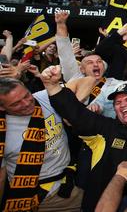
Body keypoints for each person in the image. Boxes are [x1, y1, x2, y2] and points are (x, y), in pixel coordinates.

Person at [42, 65, 127, 211]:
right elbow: (76, 113)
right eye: (118, 103)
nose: (122, 105)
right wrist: (53, 87)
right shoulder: (106, 128)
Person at [0, 77, 82, 211]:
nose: (26, 103)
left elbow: (87, 81)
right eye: (16, 104)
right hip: (41, 197)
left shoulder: (44, 98)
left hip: (73, 179)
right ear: (2, 107)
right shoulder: (2, 133)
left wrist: (72, 110)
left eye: (26, 95)